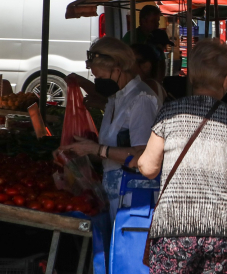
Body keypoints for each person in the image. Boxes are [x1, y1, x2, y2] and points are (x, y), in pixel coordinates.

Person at [137, 39, 227, 274]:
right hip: (221, 228)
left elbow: (148, 167)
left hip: (173, 228)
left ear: (191, 76)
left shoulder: (170, 113)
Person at [60, 37, 159, 221]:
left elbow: (143, 155)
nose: (98, 82)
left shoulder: (141, 99)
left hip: (135, 201)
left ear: (118, 67)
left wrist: (96, 149)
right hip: (115, 195)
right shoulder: (115, 100)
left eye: (101, 77)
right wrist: (81, 152)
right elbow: (109, 151)